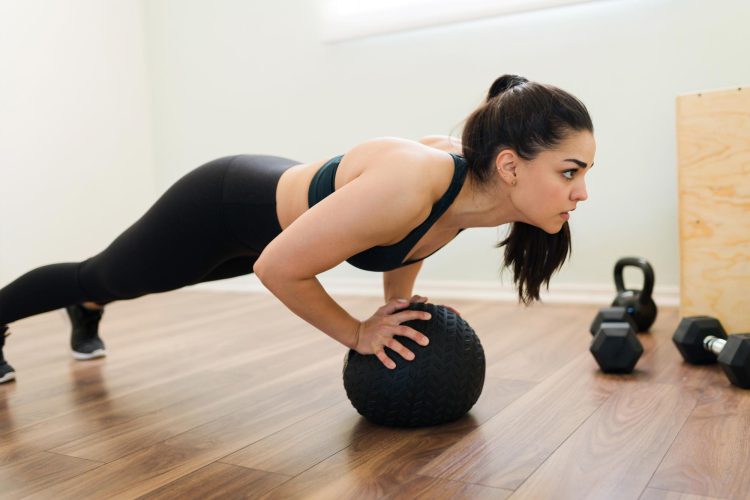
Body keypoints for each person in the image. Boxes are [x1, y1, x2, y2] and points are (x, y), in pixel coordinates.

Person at [0, 74, 595, 383]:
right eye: (570, 171)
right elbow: (277, 267)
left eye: (585, 172)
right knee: (103, 272)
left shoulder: (475, 193)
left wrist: (401, 307)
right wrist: (359, 334)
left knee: (139, 281)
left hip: (266, 225)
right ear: (512, 166)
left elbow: (408, 241)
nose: (582, 191)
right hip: (222, 205)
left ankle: (89, 306)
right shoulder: (416, 180)